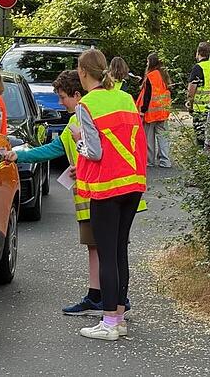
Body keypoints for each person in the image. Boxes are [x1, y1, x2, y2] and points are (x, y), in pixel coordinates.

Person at [3, 71, 103, 314]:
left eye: (62, 97)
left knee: (101, 248)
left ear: (77, 95)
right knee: (97, 248)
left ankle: (103, 298)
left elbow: (94, 153)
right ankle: (102, 296)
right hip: (91, 196)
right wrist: (21, 155)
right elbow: (54, 148)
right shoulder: (74, 122)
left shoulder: (83, 120)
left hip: (96, 195)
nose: (59, 103)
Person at [72, 49, 147, 341]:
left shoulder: (87, 104)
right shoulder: (125, 98)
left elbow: (95, 151)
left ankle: (109, 324)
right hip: (133, 183)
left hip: (107, 185)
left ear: (82, 73)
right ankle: (118, 317)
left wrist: (79, 143)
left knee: (106, 254)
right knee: (119, 251)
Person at [136, 53, 172, 168]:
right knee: (163, 136)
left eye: (147, 62)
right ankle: (165, 161)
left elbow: (147, 94)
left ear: (150, 63)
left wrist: (143, 110)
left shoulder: (151, 76)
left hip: (151, 112)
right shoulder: (164, 75)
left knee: (149, 138)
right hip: (162, 111)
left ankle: (149, 161)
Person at [186, 41, 210, 146]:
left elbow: (191, 90)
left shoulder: (198, 67)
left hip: (200, 110)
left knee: (200, 140)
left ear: (198, 52)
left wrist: (190, 105)